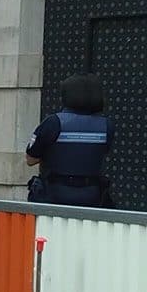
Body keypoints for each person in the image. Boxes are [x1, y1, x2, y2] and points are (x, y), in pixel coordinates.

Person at [26, 73, 115, 208]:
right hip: (92, 197)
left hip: (53, 196)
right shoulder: (106, 126)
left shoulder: (53, 122)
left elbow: (30, 159)